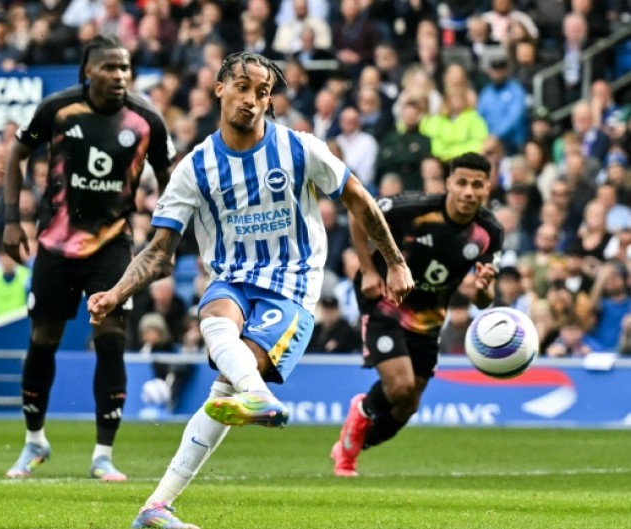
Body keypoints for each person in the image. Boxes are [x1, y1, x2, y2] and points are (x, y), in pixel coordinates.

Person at [87, 52, 413, 528]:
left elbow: (358, 199)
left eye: (262, 92)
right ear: (219, 88)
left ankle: (157, 504)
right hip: (232, 278)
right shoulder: (195, 168)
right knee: (215, 317)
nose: (252, 99)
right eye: (242, 87)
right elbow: (159, 252)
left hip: (291, 283)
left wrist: (395, 262)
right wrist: (116, 292)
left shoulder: (300, 149)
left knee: (229, 382)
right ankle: (246, 409)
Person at [1, 34, 175, 481]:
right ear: (88, 72)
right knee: (44, 337)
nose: (119, 75)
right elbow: (17, 152)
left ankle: (103, 454)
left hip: (112, 246)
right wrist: (11, 219)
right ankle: (34, 441)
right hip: (56, 244)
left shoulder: (146, 119)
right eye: (110, 67)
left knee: (111, 338)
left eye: (125, 67)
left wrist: (166, 241)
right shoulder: (58, 109)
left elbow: (170, 177)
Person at [331, 152, 504, 477]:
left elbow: (484, 301)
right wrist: (368, 269)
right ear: (448, 183)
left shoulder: (489, 232)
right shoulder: (414, 208)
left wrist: (483, 288)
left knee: (408, 404)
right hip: (384, 301)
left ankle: (352, 443)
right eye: (462, 183)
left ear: (487, 188)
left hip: (428, 317)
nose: (469, 191)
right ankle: (354, 433)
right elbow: (358, 210)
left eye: (477, 185)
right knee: (400, 387)